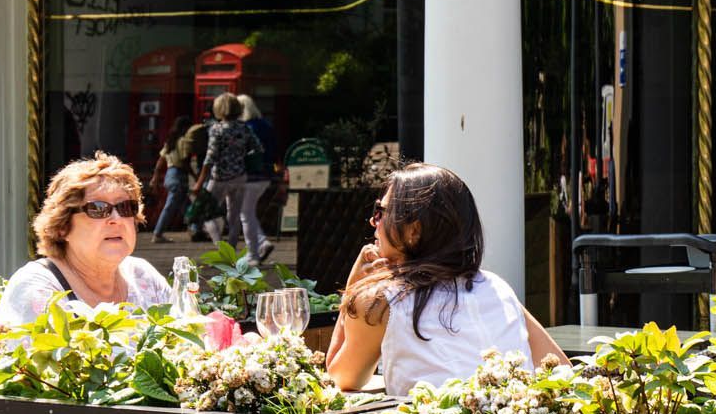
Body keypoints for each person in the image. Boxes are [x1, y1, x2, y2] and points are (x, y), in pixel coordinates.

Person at [327, 162, 566, 395]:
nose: (373, 222)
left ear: (414, 231)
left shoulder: (381, 301)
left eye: (381, 213)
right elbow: (560, 369)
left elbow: (342, 377)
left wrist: (354, 288)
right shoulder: (496, 286)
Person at [0, 152, 173, 327]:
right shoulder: (36, 288)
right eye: (98, 208)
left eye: (125, 207)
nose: (116, 219)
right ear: (62, 226)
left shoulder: (144, 277)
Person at [191, 92, 267, 258]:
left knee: (206, 214)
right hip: (240, 176)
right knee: (234, 216)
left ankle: (221, 247)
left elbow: (210, 157)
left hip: (219, 177)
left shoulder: (216, 129)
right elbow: (258, 148)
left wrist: (199, 182)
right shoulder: (244, 127)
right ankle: (231, 250)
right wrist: (241, 157)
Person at [237, 94, 280, 261]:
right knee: (248, 212)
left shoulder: (245, 128)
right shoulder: (266, 125)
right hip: (266, 175)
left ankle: (253, 252)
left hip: (249, 176)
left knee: (244, 214)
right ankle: (261, 242)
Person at [148, 115, 193, 243]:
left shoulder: (170, 141)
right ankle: (157, 233)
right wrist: (196, 176)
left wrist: (155, 177)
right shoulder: (183, 141)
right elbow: (185, 162)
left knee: (186, 206)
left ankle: (195, 229)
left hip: (170, 174)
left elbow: (160, 161)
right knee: (171, 206)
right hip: (179, 175)